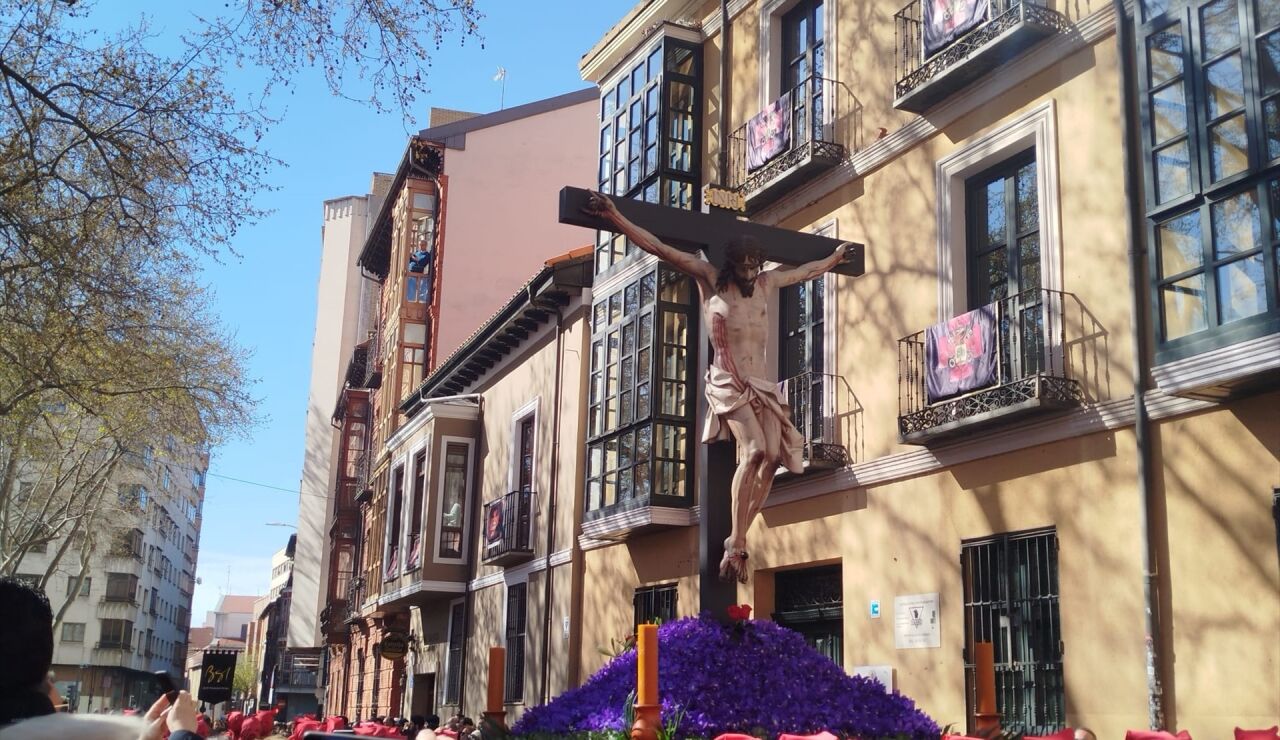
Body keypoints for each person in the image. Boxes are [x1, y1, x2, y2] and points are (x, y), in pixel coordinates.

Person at [585, 192, 851, 582]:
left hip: (761, 383)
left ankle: (738, 540)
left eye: (753, 263)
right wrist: (614, 216)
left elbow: (806, 272)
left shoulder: (766, 283)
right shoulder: (709, 278)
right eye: (742, 263)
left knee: (775, 456)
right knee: (756, 450)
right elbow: (659, 247)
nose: (748, 269)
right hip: (728, 381)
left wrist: (833, 259)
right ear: (732, 262)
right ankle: (737, 539)